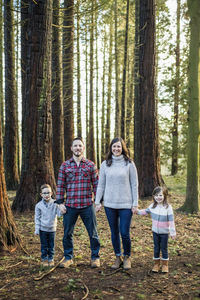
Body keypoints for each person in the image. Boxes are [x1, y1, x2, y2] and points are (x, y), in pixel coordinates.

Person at [56, 137, 100, 268]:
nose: (78, 148)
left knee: (93, 233)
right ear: (71, 148)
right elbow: (60, 185)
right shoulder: (65, 166)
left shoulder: (91, 165)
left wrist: (98, 202)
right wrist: (60, 203)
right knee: (67, 233)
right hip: (70, 205)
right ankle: (68, 257)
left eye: (80, 146)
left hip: (87, 204)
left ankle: (95, 257)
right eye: (75, 146)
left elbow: (97, 184)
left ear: (83, 148)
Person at [95, 137, 138, 270]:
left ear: (123, 148)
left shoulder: (129, 163)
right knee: (114, 232)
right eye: (114, 147)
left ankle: (127, 256)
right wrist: (97, 201)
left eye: (118, 147)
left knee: (124, 232)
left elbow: (134, 184)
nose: (116, 149)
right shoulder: (105, 164)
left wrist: (135, 203)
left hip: (126, 204)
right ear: (111, 148)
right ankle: (117, 257)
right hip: (109, 204)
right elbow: (101, 185)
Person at [135, 186, 176, 273]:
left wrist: (172, 232)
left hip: (164, 232)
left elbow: (171, 221)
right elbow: (144, 211)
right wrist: (137, 211)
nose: (158, 197)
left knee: (164, 248)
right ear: (153, 196)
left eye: (160, 195)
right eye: (156, 195)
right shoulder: (152, 206)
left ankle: (165, 265)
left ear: (165, 196)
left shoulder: (168, 207)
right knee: (156, 247)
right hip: (155, 232)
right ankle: (156, 264)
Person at [35, 184, 62, 267]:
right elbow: (37, 218)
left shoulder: (55, 203)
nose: (46, 195)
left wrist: (62, 209)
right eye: (44, 193)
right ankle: (44, 259)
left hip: (52, 229)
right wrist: (37, 229)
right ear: (41, 194)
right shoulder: (38, 205)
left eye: (48, 193)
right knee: (44, 245)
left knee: (51, 245)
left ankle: (51, 258)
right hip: (43, 229)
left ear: (51, 193)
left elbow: (59, 214)